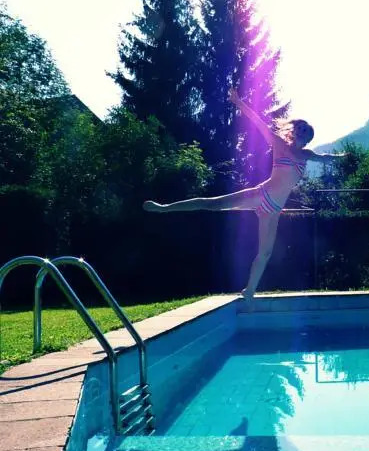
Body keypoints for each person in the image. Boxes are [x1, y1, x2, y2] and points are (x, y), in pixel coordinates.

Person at [143, 88, 343, 298]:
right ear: (293, 131)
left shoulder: (307, 154)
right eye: (299, 128)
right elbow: (258, 122)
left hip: (273, 210)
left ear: (308, 138)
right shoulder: (279, 143)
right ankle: (164, 208)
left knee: (265, 253)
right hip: (261, 194)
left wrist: (342, 157)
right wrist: (238, 102)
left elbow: (326, 158)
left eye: (305, 131)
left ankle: (249, 291)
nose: (301, 131)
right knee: (214, 204)